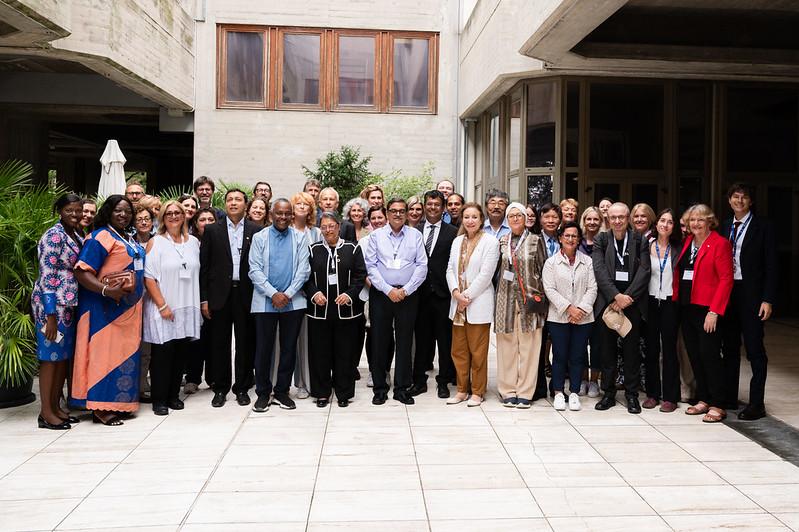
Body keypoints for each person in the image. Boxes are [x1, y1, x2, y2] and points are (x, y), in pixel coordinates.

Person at [72, 195, 145, 426]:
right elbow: (82, 271)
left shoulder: (127, 237)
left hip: (126, 308)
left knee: (122, 355)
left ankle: (118, 403)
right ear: (108, 212)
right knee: (102, 356)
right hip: (103, 309)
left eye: (128, 212)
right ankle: (100, 408)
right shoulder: (100, 236)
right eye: (118, 211)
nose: (124, 215)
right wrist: (106, 291)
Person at [720, 183, 778, 420]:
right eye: (736, 197)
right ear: (729, 200)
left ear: (750, 202)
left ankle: (756, 403)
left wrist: (768, 299)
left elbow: (772, 266)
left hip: (752, 294)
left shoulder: (763, 227)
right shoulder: (724, 226)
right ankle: (729, 397)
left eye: (744, 197)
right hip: (728, 291)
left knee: (755, 349)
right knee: (730, 346)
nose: (740, 201)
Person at [200, 188, 262, 408]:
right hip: (219, 295)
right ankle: (220, 388)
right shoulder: (212, 230)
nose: (233, 203)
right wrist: (204, 299)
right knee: (219, 344)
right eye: (230, 199)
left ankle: (242, 388)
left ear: (246, 204)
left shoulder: (257, 230)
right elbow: (204, 268)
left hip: (246, 293)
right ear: (225, 204)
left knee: (245, 343)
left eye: (238, 199)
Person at [249, 198, 311, 412]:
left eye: (287, 213)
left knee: (288, 349)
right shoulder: (259, 237)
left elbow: (304, 270)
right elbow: (254, 270)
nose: (283, 217)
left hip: (293, 303)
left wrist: (288, 293)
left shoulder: (301, 238)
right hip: (265, 303)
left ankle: (282, 392)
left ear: (291, 215)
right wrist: (273, 293)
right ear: (271, 214)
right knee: (263, 350)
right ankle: (263, 393)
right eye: (279, 213)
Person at [364, 198, 427, 405]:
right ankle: (380, 388)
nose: (398, 214)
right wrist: (388, 290)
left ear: (407, 213)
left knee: (405, 342)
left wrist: (406, 290)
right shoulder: (375, 236)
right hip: (382, 296)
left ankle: (402, 388)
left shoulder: (416, 235)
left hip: (408, 296)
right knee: (379, 341)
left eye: (402, 211)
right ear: (387, 213)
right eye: (393, 211)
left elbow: (421, 266)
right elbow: (371, 267)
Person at [673, 204, 733, 423]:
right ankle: (704, 398)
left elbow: (726, 279)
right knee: (695, 355)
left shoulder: (720, 244)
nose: (695, 224)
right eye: (692, 221)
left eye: (700, 220)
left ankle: (718, 403)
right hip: (688, 308)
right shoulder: (689, 242)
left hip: (707, 310)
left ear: (710, 221)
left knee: (710, 356)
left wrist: (715, 311)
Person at [142, 201, 201, 416]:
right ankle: (159, 399)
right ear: (163, 217)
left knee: (180, 354)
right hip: (164, 306)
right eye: (169, 213)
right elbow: (148, 278)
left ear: (184, 216)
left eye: (178, 213)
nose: (174, 216)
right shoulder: (155, 242)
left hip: (187, 306)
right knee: (163, 355)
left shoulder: (193, 242)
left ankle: (173, 395)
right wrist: (162, 305)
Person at [592, 202, 650, 414]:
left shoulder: (639, 240)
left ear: (628, 219)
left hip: (632, 303)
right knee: (607, 350)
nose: (617, 221)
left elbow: (644, 271)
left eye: (621, 217)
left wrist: (627, 298)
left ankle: (631, 395)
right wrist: (615, 296)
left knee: (631, 351)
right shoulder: (601, 239)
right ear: (608, 219)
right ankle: (608, 393)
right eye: (613, 217)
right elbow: (599, 270)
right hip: (608, 303)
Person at [32, 194, 84, 430]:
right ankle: (45, 413)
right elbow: (47, 275)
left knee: (61, 359)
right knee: (50, 359)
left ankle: (55, 407)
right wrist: (50, 316)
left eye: (78, 210)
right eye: (69, 210)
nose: (75, 214)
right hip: (51, 308)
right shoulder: (53, 235)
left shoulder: (74, 234)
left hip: (68, 306)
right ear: (59, 211)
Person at [305, 212, 366, 407]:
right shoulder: (313, 250)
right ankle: (322, 392)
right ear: (319, 229)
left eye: (331, 226)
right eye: (324, 227)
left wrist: (349, 294)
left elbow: (360, 276)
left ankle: (343, 393)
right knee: (320, 353)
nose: (328, 230)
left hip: (346, 310)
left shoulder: (352, 249)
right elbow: (305, 277)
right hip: (319, 310)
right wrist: (314, 294)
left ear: (339, 227)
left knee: (344, 353)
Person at [445, 203, 498, 407]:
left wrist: (466, 297)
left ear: (481, 219)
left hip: (477, 303)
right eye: (466, 217)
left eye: (474, 217)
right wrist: (456, 294)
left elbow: (486, 275)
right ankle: (461, 390)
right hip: (458, 304)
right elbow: (449, 269)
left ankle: (477, 391)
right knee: (458, 351)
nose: (470, 221)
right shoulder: (457, 241)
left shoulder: (490, 242)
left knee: (478, 352)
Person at [495, 202, 547, 408]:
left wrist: (541, 299)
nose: (515, 219)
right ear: (507, 220)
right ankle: (507, 390)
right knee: (506, 347)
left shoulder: (536, 240)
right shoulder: (501, 241)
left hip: (530, 301)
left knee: (530, 348)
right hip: (505, 300)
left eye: (519, 215)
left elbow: (544, 271)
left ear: (526, 219)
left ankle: (525, 392)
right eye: (512, 216)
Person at [543, 221, 597, 412]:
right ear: (560, 238)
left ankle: (574, 393)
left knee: (577, 356)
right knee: (559, 356)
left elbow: (592, 288)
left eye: (574, 236)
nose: (571, 239)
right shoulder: (551, 263)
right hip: (558, 317)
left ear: (579, 239)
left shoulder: (587, 261)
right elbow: (549, 289)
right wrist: (568, 309)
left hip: (583, 318)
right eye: (567, 235)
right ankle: (559, 392)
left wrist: (580, 309)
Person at [411, 190, 458, 398]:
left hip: (443, 295)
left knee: (445, 341)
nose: (432, 208)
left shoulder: (453, 232)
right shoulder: (414, 231)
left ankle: (443, 382)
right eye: (429, 204)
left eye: (437, 205)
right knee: (421, 341)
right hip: (419, 295)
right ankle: (419, 381)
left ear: (443, 207)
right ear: (424, 205)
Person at [642, 208, 682, 413]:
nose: (665, 225)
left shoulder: (678, 249)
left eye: (670, 222)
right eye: (662, 220)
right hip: (650, 302)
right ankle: (652, 394)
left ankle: (670, 397)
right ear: (656, 224)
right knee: (650, 350)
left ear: (674, 227)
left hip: (669, 302)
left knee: (669, 350)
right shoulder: (646, 246)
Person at [288, 192, 322, 399]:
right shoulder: (285, 230)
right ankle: (288, 382)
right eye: (298, 204)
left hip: (310, 292)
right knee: (288, 341)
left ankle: (304, 383)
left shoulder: (316, 232)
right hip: (289, 292)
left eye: (306, 204)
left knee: (307, 341)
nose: (302, 207)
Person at [184, 207, 217, 394]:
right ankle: (193, 378)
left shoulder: (220, 240)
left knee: (213, 338)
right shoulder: (190, 242)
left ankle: (213, 377)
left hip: (213, 297)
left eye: (210, 219)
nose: (206, 222)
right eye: (202, 219)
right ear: (195, 224)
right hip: (191, 295)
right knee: (195, 339)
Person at [360, 206, 391, 387]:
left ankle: (385, 370)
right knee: (373, 334)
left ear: (386, 218)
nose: (378, 221)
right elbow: (362, 269)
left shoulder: (393, 238)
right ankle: (374, 371)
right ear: (369, 220)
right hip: (372, 293)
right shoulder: (364, 242)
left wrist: (388, 289)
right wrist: (379, 287)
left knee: (389, 335)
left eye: (381, 217)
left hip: (391, 294)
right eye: (374, 218)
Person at [535, 202, 561, 401]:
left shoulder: (565, 239)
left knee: (560, 345)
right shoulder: (533, 240)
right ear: (540, 219)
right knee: (539, 344)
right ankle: (538, 387)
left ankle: (558, 386)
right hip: (541, 300)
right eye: (547, 217)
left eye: (554, 217)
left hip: (562, 300)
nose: (550, 220)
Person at [577, 205, 604, 397]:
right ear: (584, 221)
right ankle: (582, 379)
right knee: (579, 343)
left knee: (597, 344)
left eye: (596, 219)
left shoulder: (605, 241)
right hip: (578, 299)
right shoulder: (576, 241)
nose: (592, 222)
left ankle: (594, 381)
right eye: (589, 219)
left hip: (599, 300)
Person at [132, 206, 155, 402]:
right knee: (138, 345)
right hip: (132, 299)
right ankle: (137, 386)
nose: (144, 222)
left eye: (147, 219)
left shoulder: (160, 240)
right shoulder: (128, 242)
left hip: (154, 298)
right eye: (140, 219)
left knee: (149, 347)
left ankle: (145, 384)